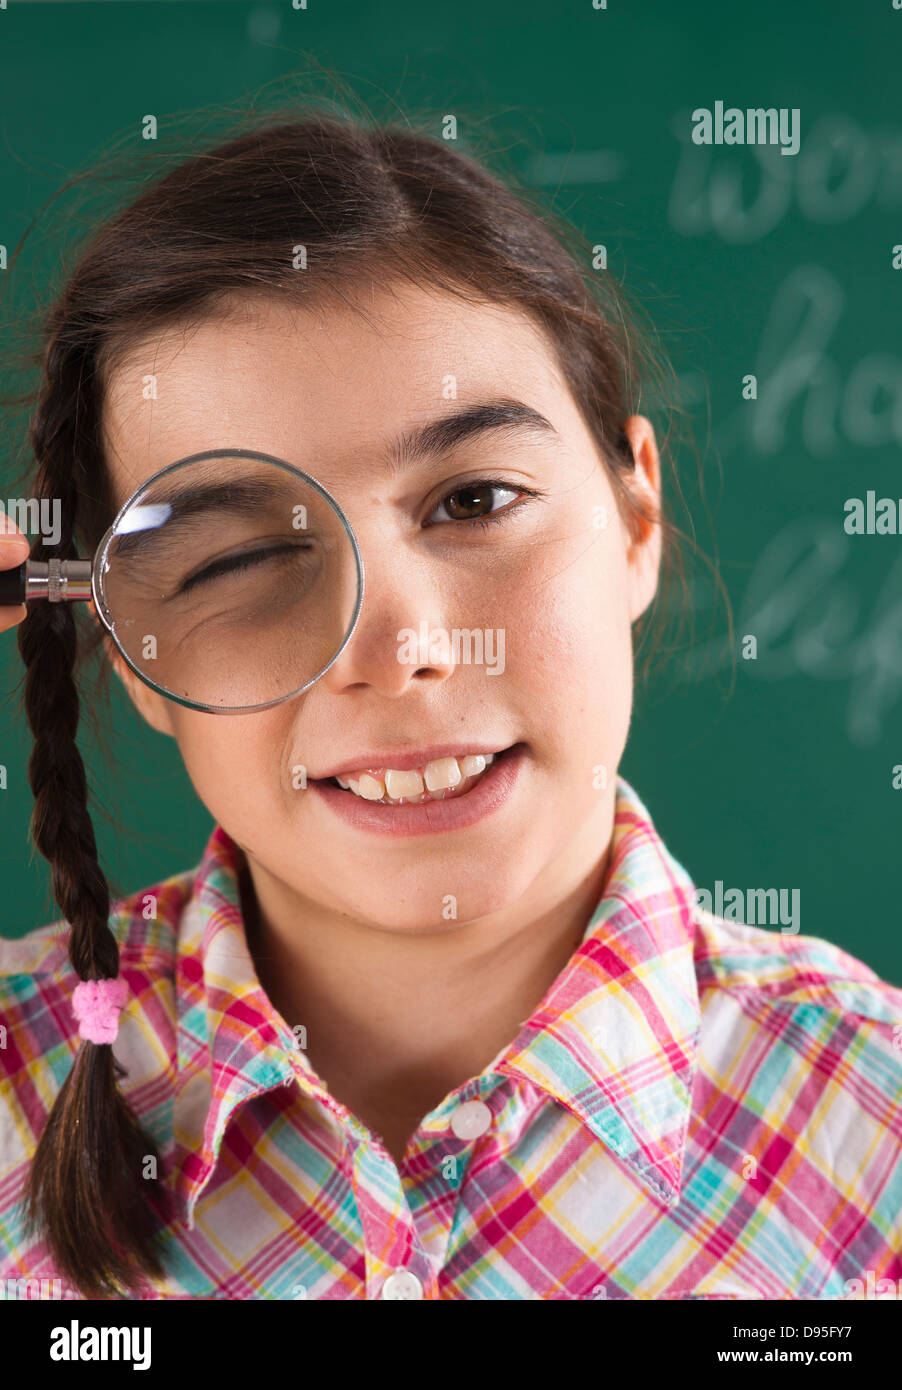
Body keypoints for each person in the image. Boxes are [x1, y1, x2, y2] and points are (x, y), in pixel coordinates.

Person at [1, 110, 900, 1302]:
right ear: (125, 653)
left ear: (636, 514)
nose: (404, 647)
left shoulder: (870, 1121)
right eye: (235, 560)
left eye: (474, 498)